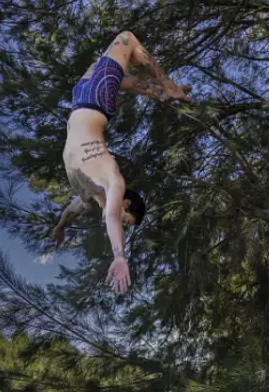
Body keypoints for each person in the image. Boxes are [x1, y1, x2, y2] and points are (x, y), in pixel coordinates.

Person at [53, 31, 191, 295]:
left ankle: (161, 91)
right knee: (127, 39)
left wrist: (60, 226)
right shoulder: (114, 180)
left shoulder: (89, 197)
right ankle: (168, 86)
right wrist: (119, 255)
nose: (123, 221)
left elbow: (70, 213)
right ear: (126, 203)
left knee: (122, 80)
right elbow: (112, 216)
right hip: (95, 98)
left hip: (82, 95)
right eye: (128, 219)